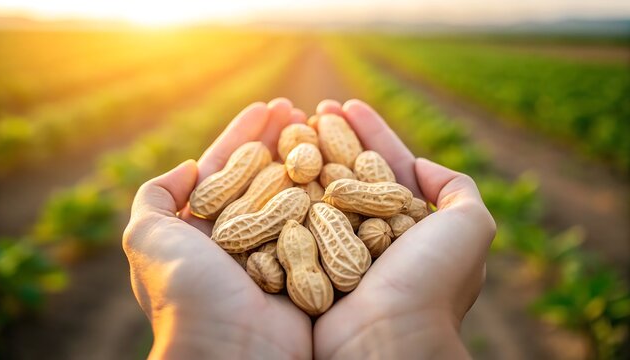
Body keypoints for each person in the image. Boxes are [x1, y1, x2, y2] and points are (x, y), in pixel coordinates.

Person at [122, 98, 496, 359]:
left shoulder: (343, 193)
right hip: (301, 233)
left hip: (333, 224)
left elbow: (352, 208)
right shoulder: (295, 194)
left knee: (352, 220)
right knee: (298, 213)